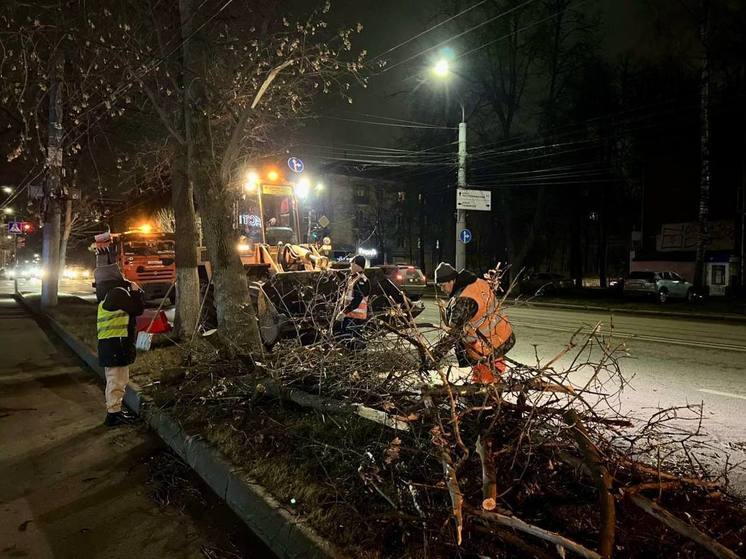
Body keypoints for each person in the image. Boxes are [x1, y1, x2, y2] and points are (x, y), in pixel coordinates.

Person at [431, 262, 514, 383]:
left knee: (484, 387)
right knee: (487, 381)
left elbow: (453, 334)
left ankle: (489, 397)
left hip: (488, 347)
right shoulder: (476, 283)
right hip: (501, 337)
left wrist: (434, 357)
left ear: (452, 280)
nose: (442, 289)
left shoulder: (464, 299)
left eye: (443, 285)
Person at [94, 234, 145, 427]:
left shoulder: (107, 293)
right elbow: (137, 308)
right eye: (120, 274)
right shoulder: (117, 293)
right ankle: (113, 414)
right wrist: (135, 291)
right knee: (116, 380)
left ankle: (115, 411)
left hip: (112, 343)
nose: (124, 276)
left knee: (117, 379)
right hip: (116, 344)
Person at [337, 254, 370, 349]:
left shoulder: (362, 280)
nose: (349, 266)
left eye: (351, 264)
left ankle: (357, 360)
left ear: (356, 265)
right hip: (350, 316)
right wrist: (336, 272)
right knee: (347, 341)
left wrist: (343, 312)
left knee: (353, 343)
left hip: (355, 318)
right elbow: (346, 280)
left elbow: (357, 300)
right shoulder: (353, 278)